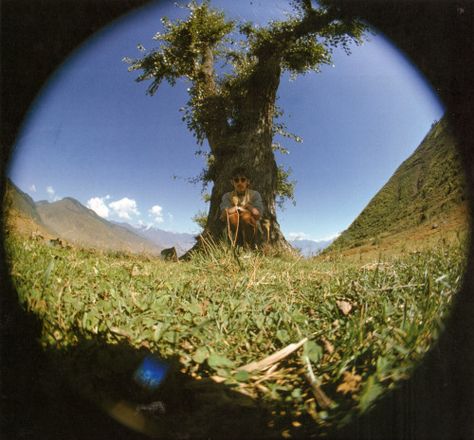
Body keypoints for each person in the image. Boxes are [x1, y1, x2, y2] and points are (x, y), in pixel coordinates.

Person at [220, 167, 264, 247]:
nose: (239, 183)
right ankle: (236, 246)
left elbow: (257, 215)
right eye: (236, 180)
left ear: (248, 182)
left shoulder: (255, 195)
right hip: (233, 231)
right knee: (233, 217)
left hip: (252, 231)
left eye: (243, 180)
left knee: (246, 216)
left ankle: (250, 247)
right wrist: (237, 208)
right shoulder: (227, 196)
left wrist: (248, 207)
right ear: (232, 182)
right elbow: (223, 215)